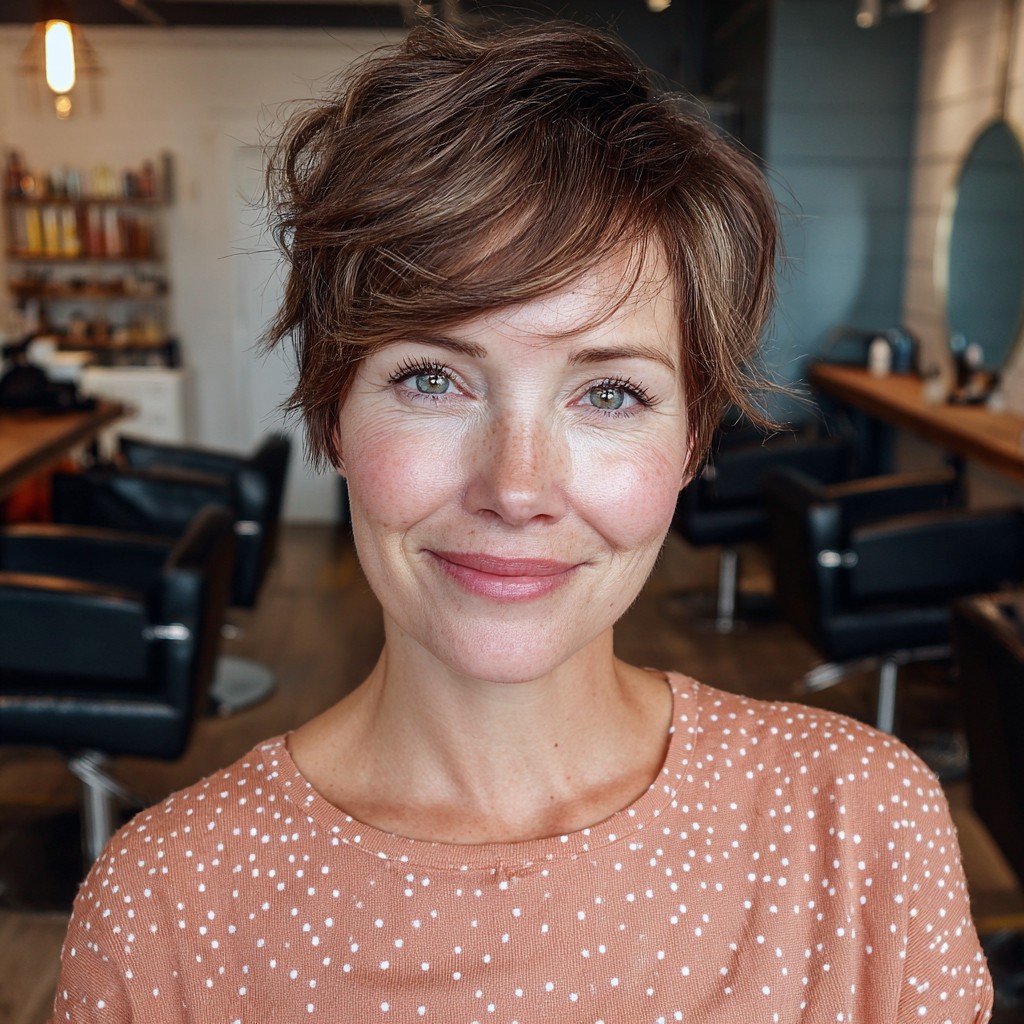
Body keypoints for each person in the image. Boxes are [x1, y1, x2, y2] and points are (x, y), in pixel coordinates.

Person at [51, 21, 992, 1024]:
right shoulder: (166, 905)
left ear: (689, 444)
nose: (515, 484)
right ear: (332, 412)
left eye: (611, 395)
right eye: (431, 377)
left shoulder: (861, 826)